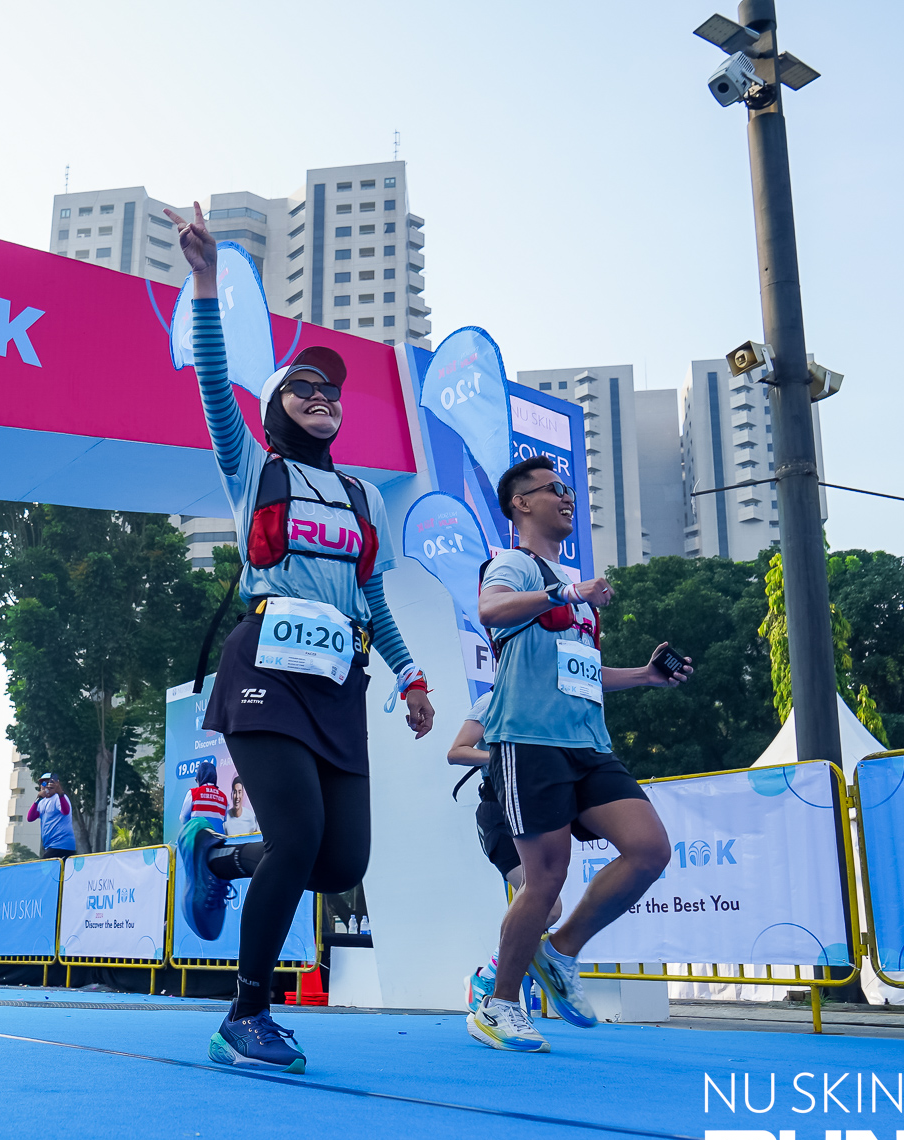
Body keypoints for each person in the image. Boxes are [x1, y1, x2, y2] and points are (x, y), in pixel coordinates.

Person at [166, 203, 435, 1074]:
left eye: (331, 393)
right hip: (265, 671)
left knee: (339, 858)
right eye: (302, 390)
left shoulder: (364, 498)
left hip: (338, 684)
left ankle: (214, 856)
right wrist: (206, 281)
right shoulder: (254, 467)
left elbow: (373, 598)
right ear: (276, 409)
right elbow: (214, 382)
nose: (322, 398)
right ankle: (245, 1016)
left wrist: (411, 676)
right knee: (297, 835)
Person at [466, 455, 692, 1054]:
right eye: (553, 490)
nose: (567, 498)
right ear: (521, 504)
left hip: (590, 744)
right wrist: (564, 591)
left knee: (649, 850)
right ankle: (499, 1004)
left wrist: (644, 676)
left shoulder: (579, 595)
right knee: (545, 879)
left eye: (569, 490)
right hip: (529, 739)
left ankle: (561, 951)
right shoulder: (514, 564)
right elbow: (490, 610)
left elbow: (584, 670)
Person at [448, 691, 564, 1012]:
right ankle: (489, 978)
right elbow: (456, 752)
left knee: (548, 908)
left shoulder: (546, 701)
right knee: (548, 906)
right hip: (498, 812)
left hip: (530, 814)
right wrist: (501, 757)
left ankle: (492, 976)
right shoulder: (494, 701)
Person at [27, 773, 76, 858]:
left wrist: (60, 793)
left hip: (61, 844)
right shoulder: (42, 802)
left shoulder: (58, 798)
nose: (47, 786)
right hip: (50, 846)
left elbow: (65, 811)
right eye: (43, 783)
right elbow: (30, 818)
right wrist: (37, 800)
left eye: (50, 783)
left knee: (45, 865)